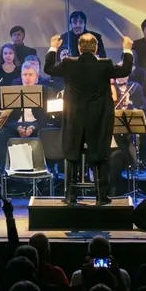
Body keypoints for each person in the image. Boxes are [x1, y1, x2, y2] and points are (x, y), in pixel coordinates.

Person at [44, 32, 133, 206]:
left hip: (74, 120)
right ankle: (101, 196)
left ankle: (70, 195)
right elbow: (125, 69)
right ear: (96, 48)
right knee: (100, 156)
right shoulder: (105, 64)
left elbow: (49, 68)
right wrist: (127, 49)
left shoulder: (69, 63)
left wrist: (53, 46)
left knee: (72, 155)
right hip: (98, 121)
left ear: (79, 48)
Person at [109, 75, 146, 196]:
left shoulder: (122, 111)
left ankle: (113, 190)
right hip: (103, 146)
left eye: (113, 92)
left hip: (121, 147)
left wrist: (128, 106)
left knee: (116, 157)